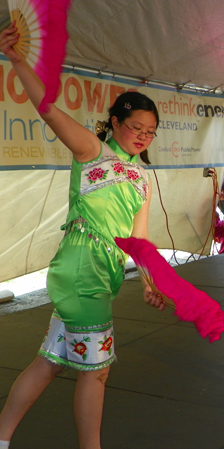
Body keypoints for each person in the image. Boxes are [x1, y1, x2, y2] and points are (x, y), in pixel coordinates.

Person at [0, 22, 162, 449]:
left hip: (100, 271)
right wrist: (17, 60)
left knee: (50, 362)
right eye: (136, 127)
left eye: (150, 132)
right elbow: (50, 110)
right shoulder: (93, 152)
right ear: (115, 122)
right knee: (97, 370)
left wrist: (148, 281)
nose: (142, 136)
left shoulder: (143, 179)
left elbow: (139, 239)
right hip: (80, 266)